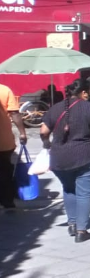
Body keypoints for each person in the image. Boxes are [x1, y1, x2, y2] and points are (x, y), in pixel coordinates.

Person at [39, 79, 90, 242]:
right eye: (89, 91)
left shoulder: (55, 109)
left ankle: (72, 224)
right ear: (83, 93)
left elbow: (43, 131)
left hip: (59, 158)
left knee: (69, 189)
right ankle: (81, 231)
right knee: (84, 192)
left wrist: (47, 144)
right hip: (88, 156)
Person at [0, 81, 28, 212]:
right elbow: (15, 113)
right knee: (5, 171)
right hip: (3, 141)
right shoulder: (4, 90)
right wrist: (22, 132)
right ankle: (7, 201)